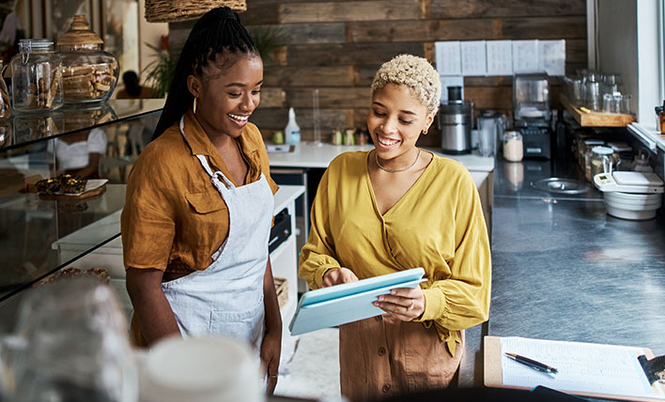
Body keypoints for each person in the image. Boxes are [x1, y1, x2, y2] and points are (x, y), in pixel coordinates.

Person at [298, 54, 491, 402]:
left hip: (427, 364)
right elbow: (315, 253)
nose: (387, 128)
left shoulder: (454, 182)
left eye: (405, 119)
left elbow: (475, 296)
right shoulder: (340, 171)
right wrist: (328, 274)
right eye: (379, 111)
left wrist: (426, 302)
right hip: (360, 363)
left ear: (428, 121)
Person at [120, 7, 282, 394]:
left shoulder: (253, 141)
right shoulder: (162, 162)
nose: (249, 105)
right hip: (187, 344)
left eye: (255, 91)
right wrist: (183, 375)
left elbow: (256, 247)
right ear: (195, 86)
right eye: (234, 93)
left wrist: (274, 327)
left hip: (250, 337)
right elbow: (143, 284)